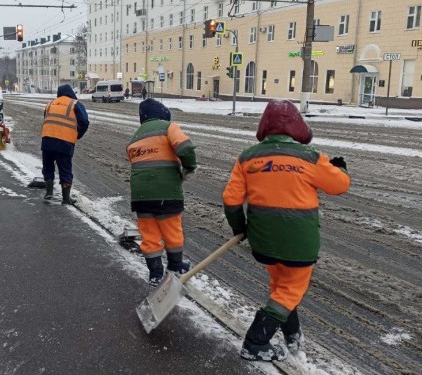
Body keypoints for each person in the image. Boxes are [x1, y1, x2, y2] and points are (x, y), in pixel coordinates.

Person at [222, 99, 350, 362]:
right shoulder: (310, 157)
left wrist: (241, 228)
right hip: (297, 244)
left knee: (280, 287)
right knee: (290, 291)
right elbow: (340, 186)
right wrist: (340, 168)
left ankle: (292, 335)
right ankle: (255, 342)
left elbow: (231, 200)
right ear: (297, 127)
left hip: (264, 242)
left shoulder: (248, 157)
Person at [126, 99, 197, 286]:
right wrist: (189, 167)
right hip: (166, 193)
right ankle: (175, 266)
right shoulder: (168, 127)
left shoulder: (135, 137)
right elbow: (185, 147)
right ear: (163, 114)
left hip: (140, 197)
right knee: (172, 231)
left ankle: (155, 274)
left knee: (149, 236)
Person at [41, 84, 89, 204]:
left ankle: (49, 193)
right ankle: (66, 198)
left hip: (47, 140)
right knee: (65, 169)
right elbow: (84, 122)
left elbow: (46, 118)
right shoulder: (75, 104)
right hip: (64, 142)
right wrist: (77, 135)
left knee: (48, 167)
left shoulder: (50, 104)